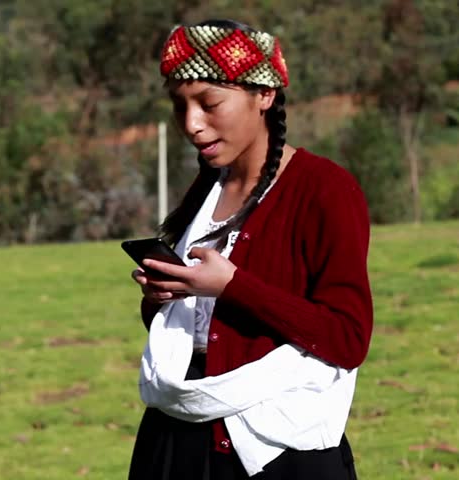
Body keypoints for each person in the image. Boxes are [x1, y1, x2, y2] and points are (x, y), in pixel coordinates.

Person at [128, 19, 373, 479]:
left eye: (210, 103)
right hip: (176, 440)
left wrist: (232, 286)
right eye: (179, 107)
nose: (192, 125)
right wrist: (161, 297)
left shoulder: (325, 190)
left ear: (265, 95)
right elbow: (199, 332)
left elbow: (347, 338)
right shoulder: (205, 189)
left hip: (275, 453)